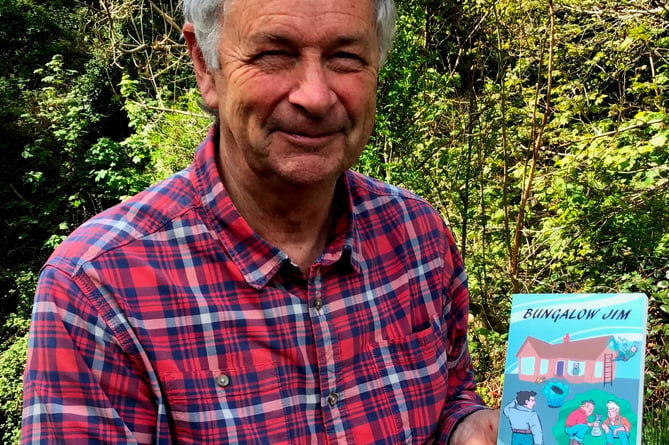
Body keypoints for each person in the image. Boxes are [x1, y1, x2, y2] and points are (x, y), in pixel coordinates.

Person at [21, 0, 499, 443]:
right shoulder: (96, 289)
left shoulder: (419, 237)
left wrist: (465, 426)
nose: (315, 95)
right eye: (274, 53)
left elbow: (450, 393)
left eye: (345, 58)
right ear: (205, 65)